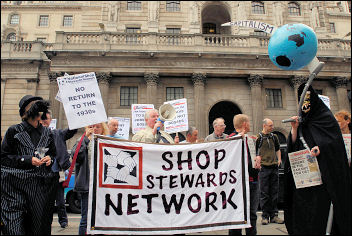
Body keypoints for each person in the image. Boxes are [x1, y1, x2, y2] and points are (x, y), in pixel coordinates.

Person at [284, 84, 351, 235]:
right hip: (305, 180)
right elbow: (294, 145)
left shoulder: (326, 119)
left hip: (323, 179)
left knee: (322, 214)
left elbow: (334, 146)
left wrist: (321, 148)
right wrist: (294, 129)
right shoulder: (302, 121)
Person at [1, 95, 57, 235]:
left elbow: (54, 156)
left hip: (38, 189)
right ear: (25, 112)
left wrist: (50, 159)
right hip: (14, 189)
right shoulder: (14, 131)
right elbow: (3, 158)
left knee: (38, 228)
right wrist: (26, 160)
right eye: (32, 105)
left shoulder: (47, 133)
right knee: (14, 228)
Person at [40, 110, 78, 229]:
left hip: (58, 173)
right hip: (43, 174)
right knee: (44, 201)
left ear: (50, 120)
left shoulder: (57, 134)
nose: (44, 121)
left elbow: (71, 131)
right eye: (42, 119)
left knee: (60, 201)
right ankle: (44, 221)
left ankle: (63, 221)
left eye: (46, 118)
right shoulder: (37, 135)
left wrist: (75, 118)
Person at [72, 122, 109, 235]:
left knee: (102, 218)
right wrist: (86, 139)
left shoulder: (107, 141)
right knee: (86, 218)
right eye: (91, 127)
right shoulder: (82, 141)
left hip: (102, 186)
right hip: (88, 185)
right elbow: (76, 157)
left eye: (98, 127)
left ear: (103, 129)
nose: (95, 129)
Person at [227, 114, 261, 235]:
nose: (250, 124)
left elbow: (253, 155)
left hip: (253, 180)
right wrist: (238, 138)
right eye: (249, 122)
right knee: (237, 215)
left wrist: (257, 158)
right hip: (238, 184)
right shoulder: (232, 138)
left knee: (252, 215)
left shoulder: (250, 139)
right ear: (245, 124)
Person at [255, 118, 284, 225]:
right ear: (264, 126)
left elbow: (277, 148)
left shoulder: (274, 137)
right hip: (264, 168)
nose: (272, 127)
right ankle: (265, 216)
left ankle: (274, 215)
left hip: (273, 167)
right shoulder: (259, 138)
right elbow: (256, 151)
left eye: (272, 125)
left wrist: (279, 159)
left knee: (274, 192)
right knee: (264, 193)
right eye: (270, 125)